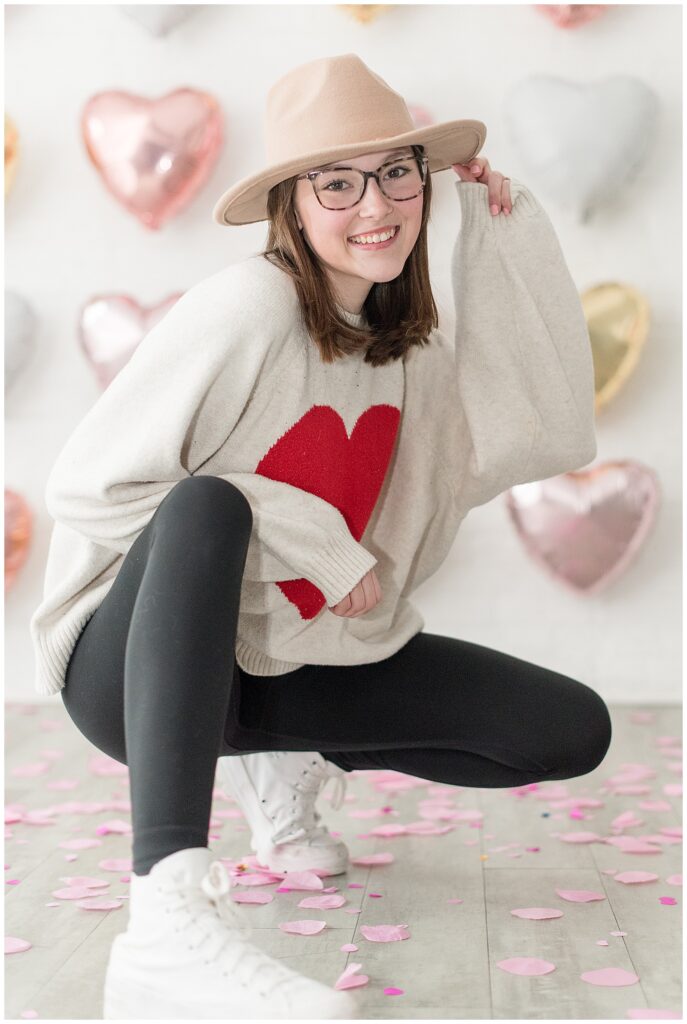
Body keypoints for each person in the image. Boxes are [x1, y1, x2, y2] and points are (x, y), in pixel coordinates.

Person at [29, 53, 612, 1020]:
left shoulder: (410, 346)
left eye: (395, 173)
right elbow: (96, 486)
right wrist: (312, 540)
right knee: (207, 506)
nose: (373, 203)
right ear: (291, 207)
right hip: (131, 669)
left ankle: (278, 755)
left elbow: (544, 433)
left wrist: (506, 242)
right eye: (336, 182)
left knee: (565, 730)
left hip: (289, 658)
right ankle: (164, 927)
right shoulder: (244, 309)